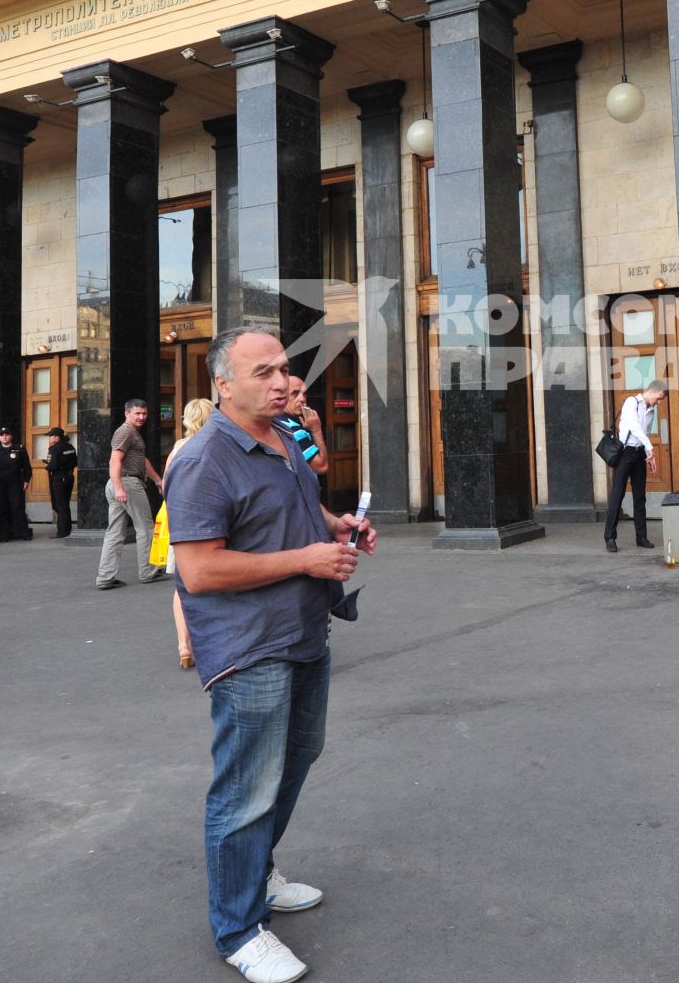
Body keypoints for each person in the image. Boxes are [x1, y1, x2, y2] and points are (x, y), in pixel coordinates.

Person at [165, 327, 376, 983]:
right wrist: (308, 557)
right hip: (248, 647)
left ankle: (257, 870)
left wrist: (332, 526)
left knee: (296, 757)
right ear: (224, 385)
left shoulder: (281, 436)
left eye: (285, 366)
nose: (284, 380)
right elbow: (198, 571)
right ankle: (238, 927)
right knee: (246, 787)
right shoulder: (202, 460)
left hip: (303, 628)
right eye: (266, 371)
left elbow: (293, 505)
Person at [95, 398, 165, 590]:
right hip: (127, 483)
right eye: (137, 413)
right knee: (146, 528)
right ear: (127, 414)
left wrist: (158, 480)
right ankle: (148, 571)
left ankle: (105, 577)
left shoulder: (132, 433)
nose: (141, 417)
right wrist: (119, 488)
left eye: (144, 413)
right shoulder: (125, 432)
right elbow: (114, 460)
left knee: (115, 532)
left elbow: (142, 461)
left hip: (120, 483)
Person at [165, 399, 214, 669]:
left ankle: (184, 645)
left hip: (181, 526)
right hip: (211, 527)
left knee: (182, 586)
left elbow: (166, 490)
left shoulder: (177, 450)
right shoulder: (215, 447)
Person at [604, 380, 665, 553]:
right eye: (659, 398)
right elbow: (634, 426)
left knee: (640, 497)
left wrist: (648, 454)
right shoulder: (631, 402)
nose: (659, 403)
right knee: (618, 494)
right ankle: (610, 537)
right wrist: (651, 447)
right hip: (625, 453)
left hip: (639, 455)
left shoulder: (651, 410)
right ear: (652, 392)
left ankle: (641, 537)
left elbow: (644, 434)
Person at [0, 426, 33, 541]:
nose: (4, 437)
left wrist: (26, 480)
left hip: (14, 483)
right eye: (2, 435)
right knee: (0, 509)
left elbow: (27, 467)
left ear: (11, 436)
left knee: (17, 508)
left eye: (7, 434)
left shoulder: (19, 449)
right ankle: (2, 535)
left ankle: (23, 533)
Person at [45, 427, 79, 538]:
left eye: (51, 436)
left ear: (56, 437)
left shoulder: (54, 449)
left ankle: (62, 531)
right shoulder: (70, 447)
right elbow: (75, 462)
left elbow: (53, 466)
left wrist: (47, 466)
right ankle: (67, 529)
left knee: (60, 505)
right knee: (65, 504)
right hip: (69, 477)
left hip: (58, 478)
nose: (50, 438)